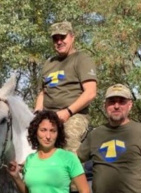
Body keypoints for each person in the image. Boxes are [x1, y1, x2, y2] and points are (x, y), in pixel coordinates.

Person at [34, 21, 97, 154]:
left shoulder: (81, 59)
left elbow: (90, 92)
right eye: (55, 39)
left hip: (74, 115)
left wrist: (68, 112)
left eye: (62, 37)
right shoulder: (49, 63)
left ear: (72, 37)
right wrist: (37, 113)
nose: (59, 41)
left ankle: (73, 174)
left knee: (68, 139)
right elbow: (42, 92)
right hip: (48, 115)